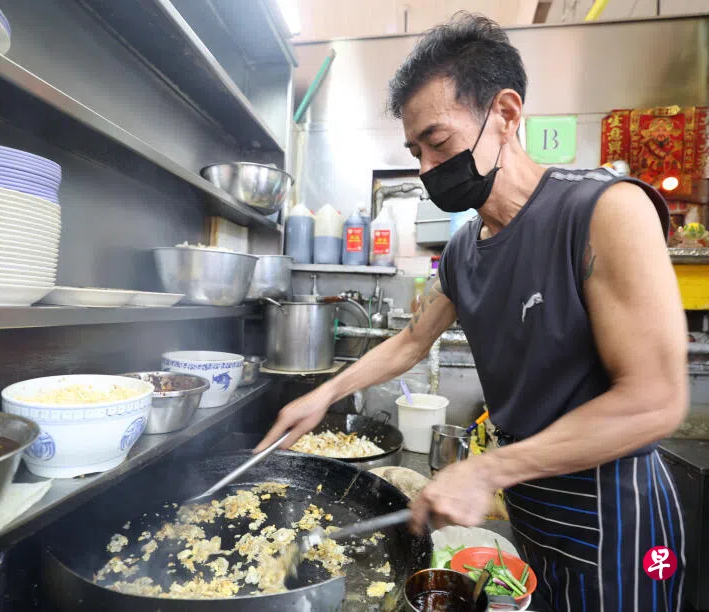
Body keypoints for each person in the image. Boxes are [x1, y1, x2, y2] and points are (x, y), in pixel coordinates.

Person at [256, 12, 688, 611]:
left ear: (506, 114)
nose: (426, 169)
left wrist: (487, 471)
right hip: (532, 504)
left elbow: (656, 400)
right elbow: (411, 341)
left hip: (615, 513)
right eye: (416, 151)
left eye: (438, 142)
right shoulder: (464, 248)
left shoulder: (602, 211)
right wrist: (323, 395)